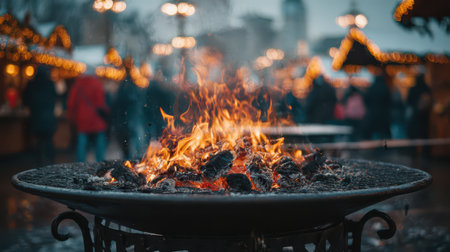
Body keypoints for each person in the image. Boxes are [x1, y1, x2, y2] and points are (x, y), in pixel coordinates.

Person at [68, 75, 109, 162]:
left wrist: (74, 120)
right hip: (96, 121)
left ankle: (80, 166)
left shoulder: (77, 85)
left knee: (81, 148)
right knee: (99, 148)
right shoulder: (97, 84)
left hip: (82, 120)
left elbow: (71, 105)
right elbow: (100, 104)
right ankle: (101, 165)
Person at [23, 66, 57, 165]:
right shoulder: (50, 84)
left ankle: (38, 163)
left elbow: (25, 101)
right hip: (49, 118)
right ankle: (50, 162)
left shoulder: (31, 84)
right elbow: (55, 99)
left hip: (36, 118)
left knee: (38, 141)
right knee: (49, 141)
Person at [362, 74, 392, 139]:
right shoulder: (385, 88)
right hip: (383, 115)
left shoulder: (372, 88)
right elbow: (389, 101)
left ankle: (374, 147)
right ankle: (383, 147)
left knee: (372, 134)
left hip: (372, 115)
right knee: (383, 134)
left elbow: (366, 100)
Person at [406, 74, 432, 139]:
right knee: (424, 136)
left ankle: (413, 148)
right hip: (424, 116)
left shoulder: (413, 89)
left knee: (414, 136)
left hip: (415, 116)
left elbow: (408, 101)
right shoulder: (426, 88)